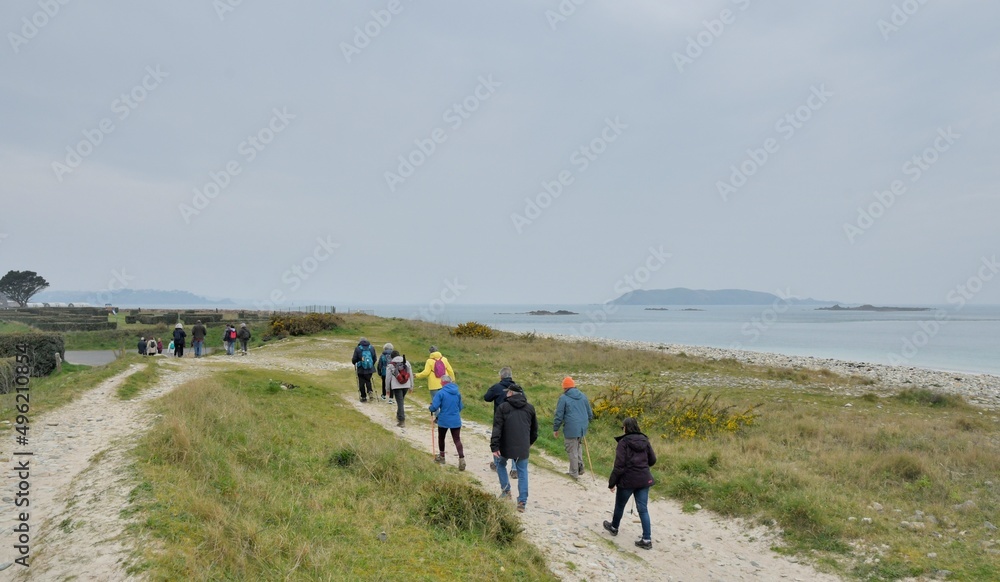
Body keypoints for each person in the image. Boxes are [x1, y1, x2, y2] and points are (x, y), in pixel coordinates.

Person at [603, 417, 657, 550]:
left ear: (626, 428)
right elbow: (653, 460)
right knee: (643, 509)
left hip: (628, 480)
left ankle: (614, 527)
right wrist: (643, 466)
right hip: (644, 479)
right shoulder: (645, 440)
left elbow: (619, 465)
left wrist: (612, 483)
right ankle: (647, 539)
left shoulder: (623, 442)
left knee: (620, 505)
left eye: (623, 427)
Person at [490, 383, 537, 513]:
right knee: (523, 472)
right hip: (523, 446)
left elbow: (497, 428)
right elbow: (534, 431)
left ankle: (506, 492)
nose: (506, 393)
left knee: (500, 465)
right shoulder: (530, 408)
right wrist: (529, 443)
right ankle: (522, 501)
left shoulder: (502, 407)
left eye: (508, 392)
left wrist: (494, 446)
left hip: (505, 445)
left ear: (510, 393)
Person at [553, 376, 594, 479]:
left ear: (565, 388)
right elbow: (590, 414)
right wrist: (584, 423)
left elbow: (559, 415)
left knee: (572, 450)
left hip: (571, 428)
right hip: (582, 427)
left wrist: (556, 428)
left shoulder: (563, 398)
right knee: (578, 447)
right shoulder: (583, 396)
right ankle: (580, 468)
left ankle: (573, 473)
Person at [428, 374, 466, 470]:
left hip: (444, 420)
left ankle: (442, 457)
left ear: (443, 382)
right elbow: (460, 407)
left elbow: (434, 407)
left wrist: (430, 407)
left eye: (441, 382)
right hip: (456, 420)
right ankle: (462, 459)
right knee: (457, 439)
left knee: (441, 438)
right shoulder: (457, 393)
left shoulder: (441, 393)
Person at [484, 366, 517, 470]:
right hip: (514, 419)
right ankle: (514, 468)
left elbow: (487, 398)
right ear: (511, 376)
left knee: (497, 440)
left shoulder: (497, 387)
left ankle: (497, 463)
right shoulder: (517, 387)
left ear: (501, 376)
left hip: (500, 419)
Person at [414, 345, 455, 411]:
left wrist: (417, 375)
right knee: (444, 400)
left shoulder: (429, 361)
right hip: (444, 383)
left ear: (430, 352)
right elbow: (450, 370)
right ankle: (444, 416)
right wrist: (452, 380)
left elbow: (426, 373)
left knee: (435, 401)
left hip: (433, 385)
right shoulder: (444, 359)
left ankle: (437, 418)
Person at [386, 350, 412, 427]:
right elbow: (410, 374)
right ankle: (399, 415)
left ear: (391, 357)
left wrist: (387, 389)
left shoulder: (391, 365)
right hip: (406, 385)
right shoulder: (406, 362)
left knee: (400, 402)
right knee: (401, 401)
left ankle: (401, 420)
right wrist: (411, 386)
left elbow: (388, 378)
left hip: (396, 386)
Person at [351, 337, 377, 402]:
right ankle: (370, 391)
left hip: (361, 369)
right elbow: (375, 358)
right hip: (370, 368)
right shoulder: (371, 348)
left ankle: (363, 397)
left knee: (361, 383)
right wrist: (371, 364)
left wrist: (355, 363)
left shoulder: (358, 349)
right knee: (368, 380)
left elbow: (354, 359)